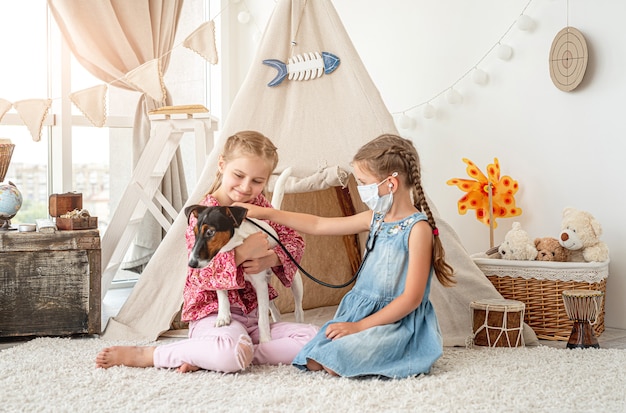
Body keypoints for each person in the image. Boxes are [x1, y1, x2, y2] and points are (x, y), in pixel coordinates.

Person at [236, 133, 455, 379]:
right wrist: (268, 213)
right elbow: (318, 224)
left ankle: (396, 351)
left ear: (390, 184)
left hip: (396, 322)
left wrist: (358, 327)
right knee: (313, 359)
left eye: (363, 182)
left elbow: (412, 299)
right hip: (361, 314)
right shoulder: (375, 218)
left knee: (334, 362)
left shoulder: (417, 230)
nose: (360, 189)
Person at [96, 131, 318, 373]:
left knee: (316, 338)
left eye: (257, 181)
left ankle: (214, 353)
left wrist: (271, 257)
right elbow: (199, 273)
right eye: (239, 175)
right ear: (222, 165)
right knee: (227, 353)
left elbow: (293, 241)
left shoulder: (258, 206)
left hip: (252, 320)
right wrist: (242, 253)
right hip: (212, 315)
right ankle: (152, 354)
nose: (246, 187)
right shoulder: (203, 214)